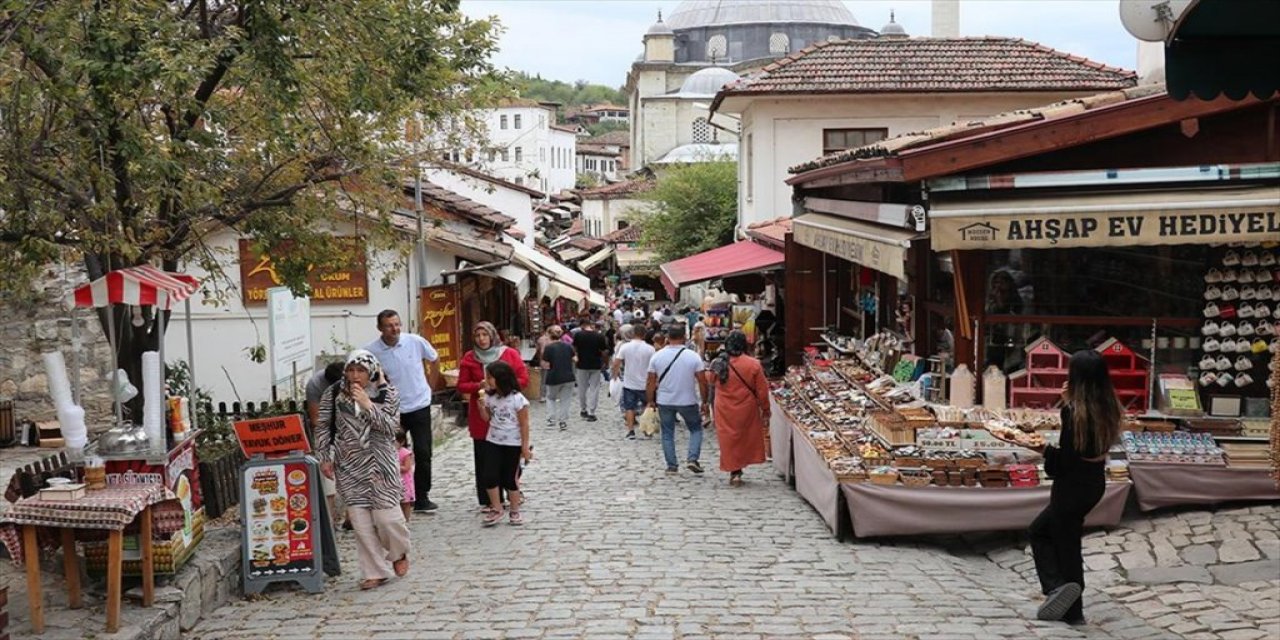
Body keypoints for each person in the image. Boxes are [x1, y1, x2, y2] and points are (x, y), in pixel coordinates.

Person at [1025, 350, 1123, 625]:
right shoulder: (1109, 405)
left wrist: (1041, 449)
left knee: (1064, 545)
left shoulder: (1074, 413)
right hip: (1093, 483)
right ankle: (1059, 592)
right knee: (1043, 532)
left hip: (1072, 487)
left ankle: (1070, 606)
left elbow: (1065, 462)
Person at [315, 350, 410, 590]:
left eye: (361, 371)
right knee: (361, 522)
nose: (355, 376)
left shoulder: (387, 393)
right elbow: (324, 425)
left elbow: (391, 429)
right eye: (351, 370)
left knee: (387, 519)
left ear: (372, 372)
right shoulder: (334, 393)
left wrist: (368, 405)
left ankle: (398, 553)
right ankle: (374, 571)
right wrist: (325, 457)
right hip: (349, 464)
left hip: (381, 464)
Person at [365, 310, 440, 513]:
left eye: (397, 324)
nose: (395, 329)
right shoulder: (371, 351)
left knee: (423, 452)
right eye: (389, 325)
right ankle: (394, 495)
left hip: (419, 404)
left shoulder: (414, 341)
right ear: (380, 328)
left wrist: (431, 386)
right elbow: (367, 378)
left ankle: (422, 496)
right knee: (391, 452)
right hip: (393, 410)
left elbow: (434, 359)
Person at [457, 321, 529, 510]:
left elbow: (523, 379)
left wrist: (502, 387)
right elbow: (462, 385)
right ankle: (489, 500)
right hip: (482, 414)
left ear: (492, 336)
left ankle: (512, 490)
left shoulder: (509, 354)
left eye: (485, 335)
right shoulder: (469, 358)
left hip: (507, 414)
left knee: (509, 456)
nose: (481, 339)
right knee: (484, 458)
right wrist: (479, 386)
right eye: (478, 336)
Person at [474, 360, 533, 527]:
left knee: (510, 478)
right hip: (493, 440)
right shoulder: (489, 397)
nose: (487, 381)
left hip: (512, 443)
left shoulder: (517, 399)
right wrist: (481, 407)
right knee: (489, 475)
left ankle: (514, 510)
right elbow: (487, 418)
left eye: (490, 378)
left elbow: (524, 424)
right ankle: (497, 507)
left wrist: (525, 447)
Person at [709, 331, 771, 486]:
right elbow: (762, 390)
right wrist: (766, 409)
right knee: (745, 438)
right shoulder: (753, 364)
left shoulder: (718, 363)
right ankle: (739, 468)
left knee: (728, 439)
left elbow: (710, 380)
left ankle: (734, 470)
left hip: (723, 407)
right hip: (746, 407)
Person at [646, 324, 709, 475]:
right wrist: (705, 401)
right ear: (684, 338)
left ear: (667, 338)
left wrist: (650, 400)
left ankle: (672, 466)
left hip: (665, 400)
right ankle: (692, 458)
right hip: (687, 400)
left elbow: (650, 381)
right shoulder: (693, 356)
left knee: (667, 433)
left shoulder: (657, 356)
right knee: (695, 429)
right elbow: (702, 381)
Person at [305, 362, 346, 525]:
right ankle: (329, 522)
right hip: (328, 432)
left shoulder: (358, 378)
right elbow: (316, 420)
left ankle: (352, 519)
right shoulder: (315, 385)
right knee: (327, 479)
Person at [613, 325, 655, 440]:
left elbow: (617, 362)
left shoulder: (625, 347)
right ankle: (647, 430)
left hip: (629, 383)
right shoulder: (650, 349)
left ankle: (631, 431)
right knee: (648, 406)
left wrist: (614, 375)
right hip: (645, 383)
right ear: (644, 334)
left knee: (629, 407)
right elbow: (654, 367)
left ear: (632, 333)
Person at [571, 319, 609, 422]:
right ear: (591, 325)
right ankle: (592, 412)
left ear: (582, 325)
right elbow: (604, 351)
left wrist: (576, 357)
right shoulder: (599, 336)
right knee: (594, 388)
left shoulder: (578, 335)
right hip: (595, 364)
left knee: (582, 388)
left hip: (582, 364)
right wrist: (605, 363)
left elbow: (574, 348)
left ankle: (583, 409)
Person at [541, 325, 575, 431]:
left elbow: (545, 364)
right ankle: (563, 421)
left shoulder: (548, 348)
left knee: (551, 398)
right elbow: (575, 359)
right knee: (566, 399)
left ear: (549, 335)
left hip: (553, 376)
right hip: (568, 376)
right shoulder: (568, 346)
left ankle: (551, 419)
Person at [396, 431, 414, 522]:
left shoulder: (405, 453)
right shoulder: (390, 452)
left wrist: (395, 467)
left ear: (402, 442)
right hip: (395, 481)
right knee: (398, 501)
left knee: (405, 502)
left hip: (405, 481)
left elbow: (407, 467)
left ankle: (406, 518)